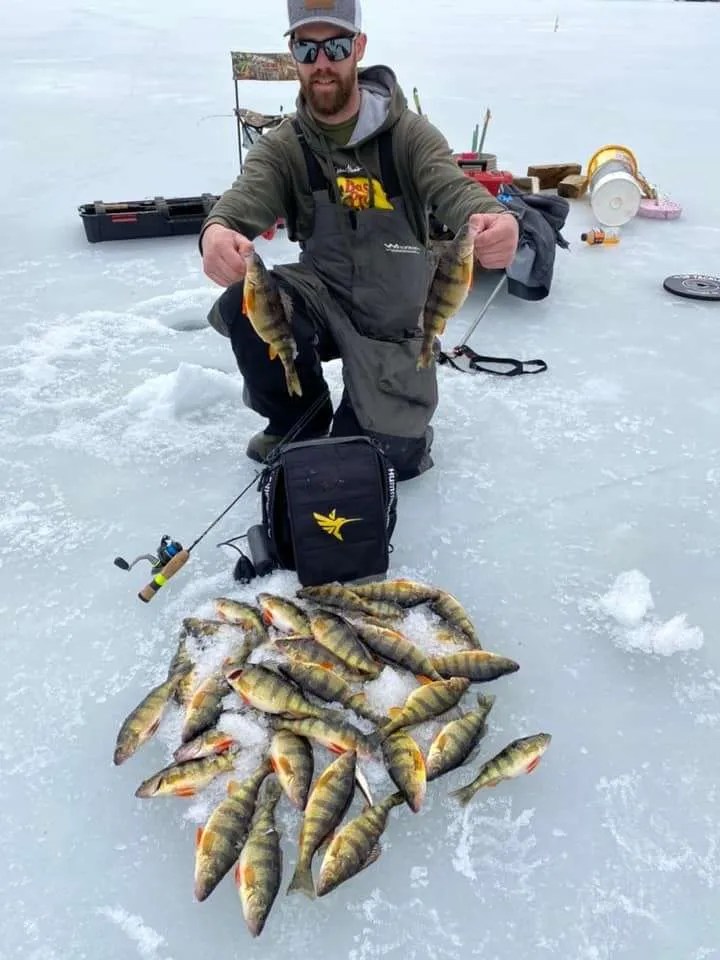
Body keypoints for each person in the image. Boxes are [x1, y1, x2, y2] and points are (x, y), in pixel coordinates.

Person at [202, 0, 519, 480]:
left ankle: (391, 418)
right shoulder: (285, 145)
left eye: (336, 45)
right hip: (320, 294)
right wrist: (217, 230)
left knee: (382, 464)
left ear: (359, 48)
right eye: (308, 49)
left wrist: (492, 217)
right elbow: (246, 195)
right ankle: (295, 421)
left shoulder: (408, 136)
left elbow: (451, 186)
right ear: (293, 55)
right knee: (245, 308)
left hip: (392, 320)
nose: (322, 62)